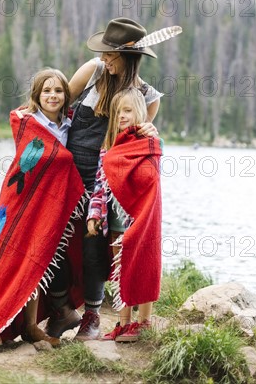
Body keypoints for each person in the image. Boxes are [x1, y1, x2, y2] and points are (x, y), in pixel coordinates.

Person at [45, 18, 166, 341]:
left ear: (127, 57)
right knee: (50, 239)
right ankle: (61, 309)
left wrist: (151, 132)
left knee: (93, 247)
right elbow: (55, 108)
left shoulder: (147, 97)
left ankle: (92, 317)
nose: (105, 59)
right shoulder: (93, 71)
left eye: (110, 54)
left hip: (103, 183)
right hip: (65, 173)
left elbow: (131, 146)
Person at [0, 69, 85, 351]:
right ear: (36, 95)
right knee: (7, 263)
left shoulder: (70, 125)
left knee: (37, 261)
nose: (52, 96)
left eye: (58, 91)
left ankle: (31, 327)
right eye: (46, 91)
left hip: (49, 208)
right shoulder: (27, 122)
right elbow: (37, 159)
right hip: (19, 203)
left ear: (66, 96)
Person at [86, 87, 162, 342]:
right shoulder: (109, 146)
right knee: (121, 268)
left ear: (139, 111)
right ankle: (123, 323)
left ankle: (143, 323)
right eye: (117, 112)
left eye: (128, 110)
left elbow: (152, 181)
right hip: (115, 221)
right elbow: (99, 183)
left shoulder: (149, 142)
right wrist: (93, 215)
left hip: (140, 219)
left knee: (144, 266)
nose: (122, 116)